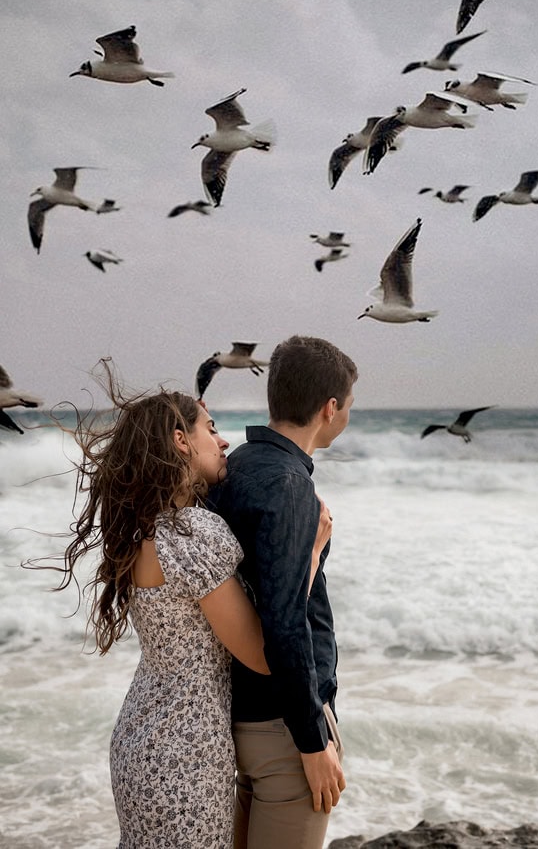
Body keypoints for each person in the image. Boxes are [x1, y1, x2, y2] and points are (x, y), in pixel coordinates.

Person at [45, 361, 332, 849]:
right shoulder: (194, 533)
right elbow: (263, 655)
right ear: (181, 441)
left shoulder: (146, 530)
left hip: (141, 735)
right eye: (212, 430)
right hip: (186, 750)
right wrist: (309, 555)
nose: (224, 443)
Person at [214, 334, 358, 849]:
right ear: (330, 408)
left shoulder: (234, 468)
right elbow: (283, 621)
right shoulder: (290, 485)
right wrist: (312, 739)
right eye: (348, 406)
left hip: (235, 716)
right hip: (284, 730)